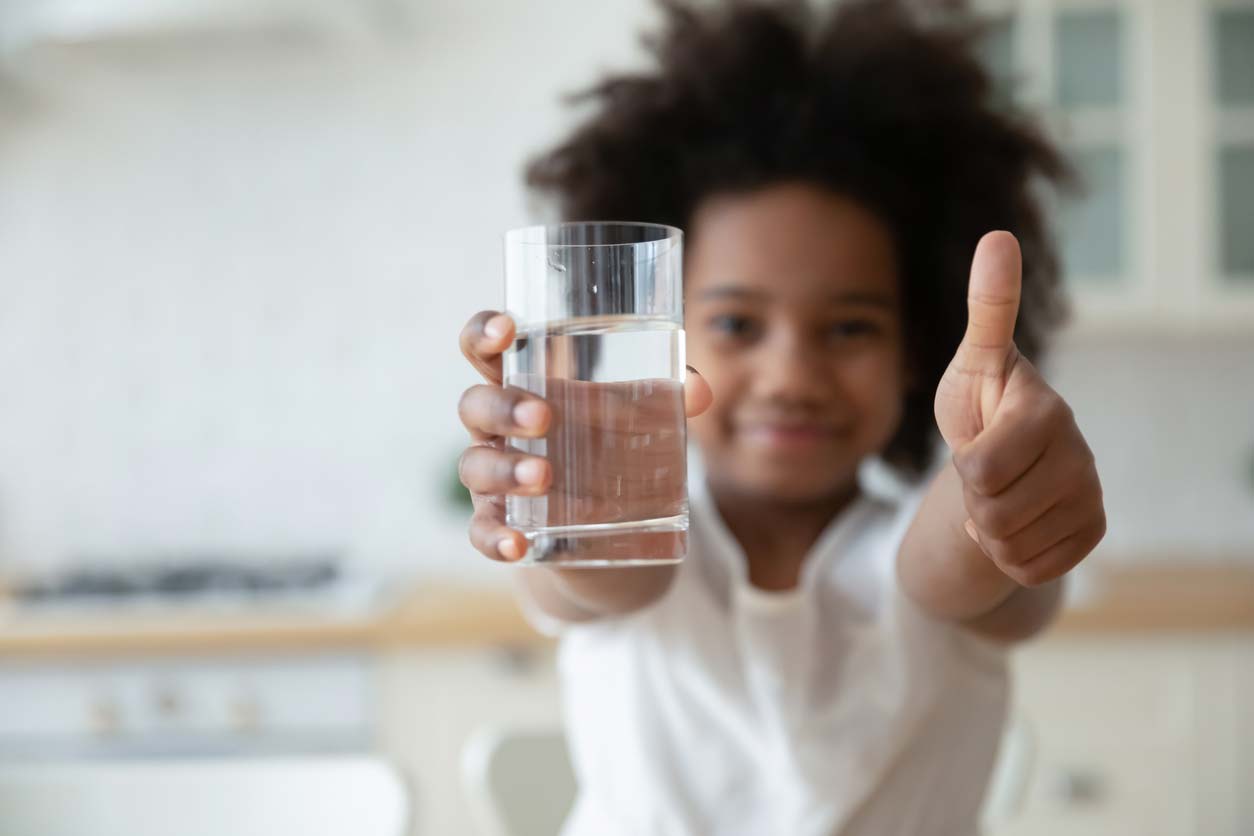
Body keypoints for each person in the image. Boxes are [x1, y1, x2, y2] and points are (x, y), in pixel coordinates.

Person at [456, 1, 1106, 833]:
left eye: (850, 327)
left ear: (919, 347)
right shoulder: (623, 533)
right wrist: (560, 480)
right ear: (659, 335)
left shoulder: (926, 547)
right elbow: (606, 567)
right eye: (735, 325)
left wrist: (1001, 492)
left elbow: (952, 563)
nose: (792, 376)